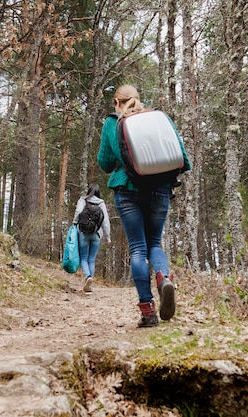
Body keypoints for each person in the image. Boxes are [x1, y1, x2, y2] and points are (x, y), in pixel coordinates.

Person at [97, 84, 191, 327]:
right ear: (138, 99)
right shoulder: (159, 117)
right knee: (154, 244)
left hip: (127, 191)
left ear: (117, 102)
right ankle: (163, 278)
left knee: (138, 248)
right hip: (160, 189)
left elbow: (105, 162)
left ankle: (148, 313)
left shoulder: (113, 122)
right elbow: (182, 155)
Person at [73, 183, 111, 294]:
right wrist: (108, 237)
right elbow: (105, 222)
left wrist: (74, 224)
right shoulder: (101, 203)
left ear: (89, 191)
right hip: (96, 234)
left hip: (83, 233)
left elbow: (79, 212)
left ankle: (87, 276)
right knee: (91, 260)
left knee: (83, 257)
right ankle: (90, 286)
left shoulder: (83, 200)